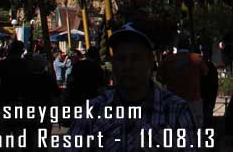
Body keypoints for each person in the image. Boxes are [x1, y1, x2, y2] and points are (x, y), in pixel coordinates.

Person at [67, 23, 198, 152]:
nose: (127, 66)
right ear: (113, 64)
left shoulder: (176, 110)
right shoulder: (93, 111)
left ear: (150, 62)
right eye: (121, 59)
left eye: (136, 58)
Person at [159, 33, 210, 129]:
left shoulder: (168, 60)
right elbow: (205, 73)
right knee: (195, 131)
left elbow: (159, 77)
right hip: (194, 100)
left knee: (174, 130)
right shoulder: (197, 59)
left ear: (177, 45)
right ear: (189, 45)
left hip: (173, 101)